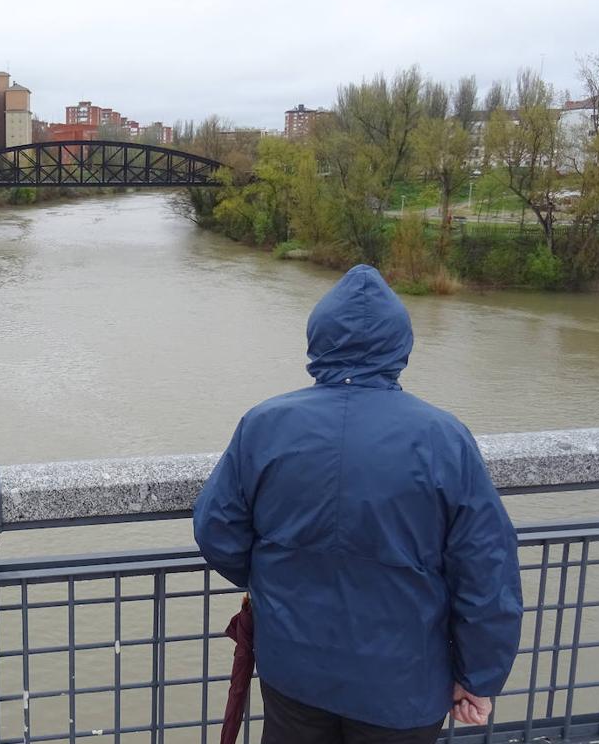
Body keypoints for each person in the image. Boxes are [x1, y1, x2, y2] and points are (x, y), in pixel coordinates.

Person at [193, 264, 522, 744]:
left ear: (317, 340)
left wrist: (279, 580)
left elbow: (215, 529)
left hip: (295, 667)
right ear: (401, 347)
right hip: (403, 683)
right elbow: (486, 571)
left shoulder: (265, 424)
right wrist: (479, 677)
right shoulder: (443, 438)